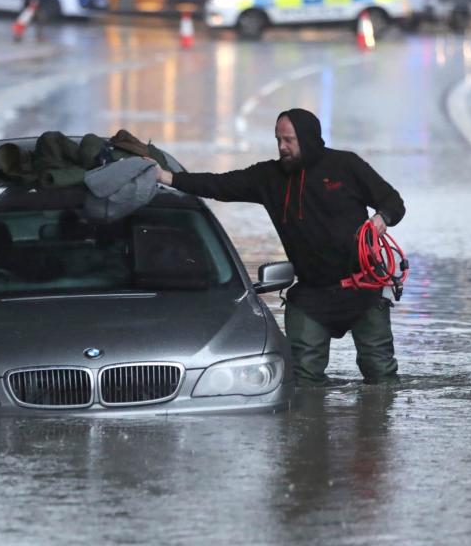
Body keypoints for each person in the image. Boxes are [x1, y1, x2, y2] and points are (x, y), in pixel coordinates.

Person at [156, 108, 406, 386]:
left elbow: (393, 200)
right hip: (312, 296)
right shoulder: (269, 177)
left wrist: (382, 218)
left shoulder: (345, 166)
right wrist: (168, 178)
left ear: (308, 139)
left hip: (363, 290)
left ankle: (377, 428)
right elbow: (219, 184)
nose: (282, 148)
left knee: (381, 376)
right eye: (278, 140)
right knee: (302, 381)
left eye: (289, 140)